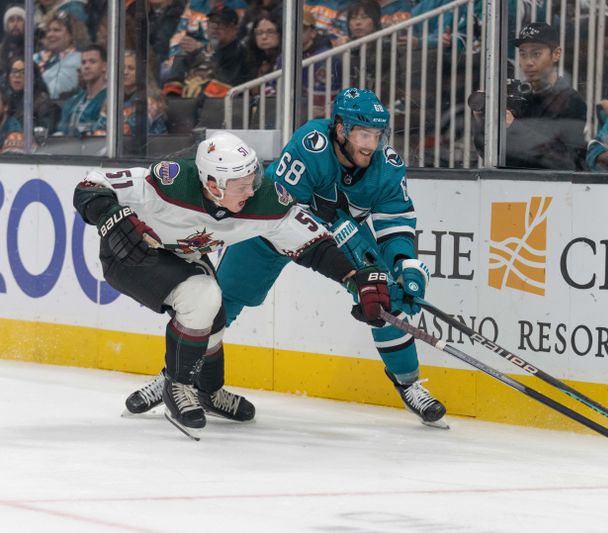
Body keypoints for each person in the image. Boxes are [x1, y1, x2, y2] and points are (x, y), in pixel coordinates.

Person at [126, 88, 448, 429]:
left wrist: (403, 263)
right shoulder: (311, 144)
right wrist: (343, 236)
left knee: (384, 294)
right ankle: (174, 379)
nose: (370, 144)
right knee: (220, 302)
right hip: (267, 230)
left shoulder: (387, 166)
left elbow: (395, 222)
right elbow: (283, 211)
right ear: (340, 129)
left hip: (332, 239)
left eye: (375, 135)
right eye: (362, 134)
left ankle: (409, 384)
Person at [73, 131, 391, 435]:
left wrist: (355, 279)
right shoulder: (169, 181)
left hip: (183, 257)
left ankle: (208, 391)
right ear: (212, 183)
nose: (250, 192)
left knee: (215, 313)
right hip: (131, 254)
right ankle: (178, 386)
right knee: (204, 296)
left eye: (251, 180)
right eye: (240, 186)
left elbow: (314, 244)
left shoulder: (265, 201)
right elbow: (91, 185)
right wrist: (110, 217)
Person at [470, 22, 587, 170]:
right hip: (513, 186)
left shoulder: (571, 101)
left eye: (536, 54)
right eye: (523, 54)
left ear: (556, 54)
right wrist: (483, 124)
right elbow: (493, 155)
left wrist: (514, 127)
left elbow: (565, 159)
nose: (528, 62)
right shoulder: (518, 95)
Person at [54, 44, 107, 137]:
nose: (86, 66)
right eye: (83, 62)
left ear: (104, 66)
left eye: (92, 62)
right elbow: (62, 129)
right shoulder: (74, 100)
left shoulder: (109, 98)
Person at [33, 11, 88, 99]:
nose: (50, 35)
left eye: (56, 30)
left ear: (71, 35)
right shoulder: (39, 56)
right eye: (49, 30)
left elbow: (54, 92)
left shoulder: (77, 59)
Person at [4, 56, 61, 133]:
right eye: (14, 71)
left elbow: (44, 132)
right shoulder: (7, 99)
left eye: (23, 72)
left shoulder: (42, 102)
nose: (17, 75)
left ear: (33, 77)